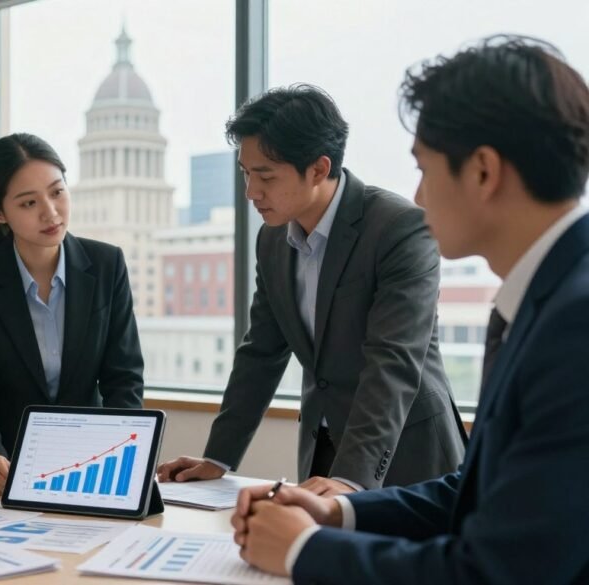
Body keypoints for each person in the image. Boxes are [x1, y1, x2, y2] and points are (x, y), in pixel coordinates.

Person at [233, 35, 589, 584]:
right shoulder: (539, 300)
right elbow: (479, 491)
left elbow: (501, 571)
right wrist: (339, 512)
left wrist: (305, 552)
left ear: (483, 172)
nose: (419, 197)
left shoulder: (575, 325)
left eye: (424, 169)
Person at [157, 84, 466, 495]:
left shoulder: (399, 228)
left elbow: (393, 361)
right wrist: (218, 458)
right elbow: (261, 353)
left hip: (406, 457)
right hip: (321, 454)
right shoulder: (271, 240)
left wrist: (350, 479)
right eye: (246, 174)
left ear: (319, 169)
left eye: (265, 176)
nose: (251, 192)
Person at [0, 132, 144, 495]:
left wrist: (124, 457)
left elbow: (124, 379)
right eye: (28, 203)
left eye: (57, 192)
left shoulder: (106, 265)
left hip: (89, 470)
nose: (50, 212)